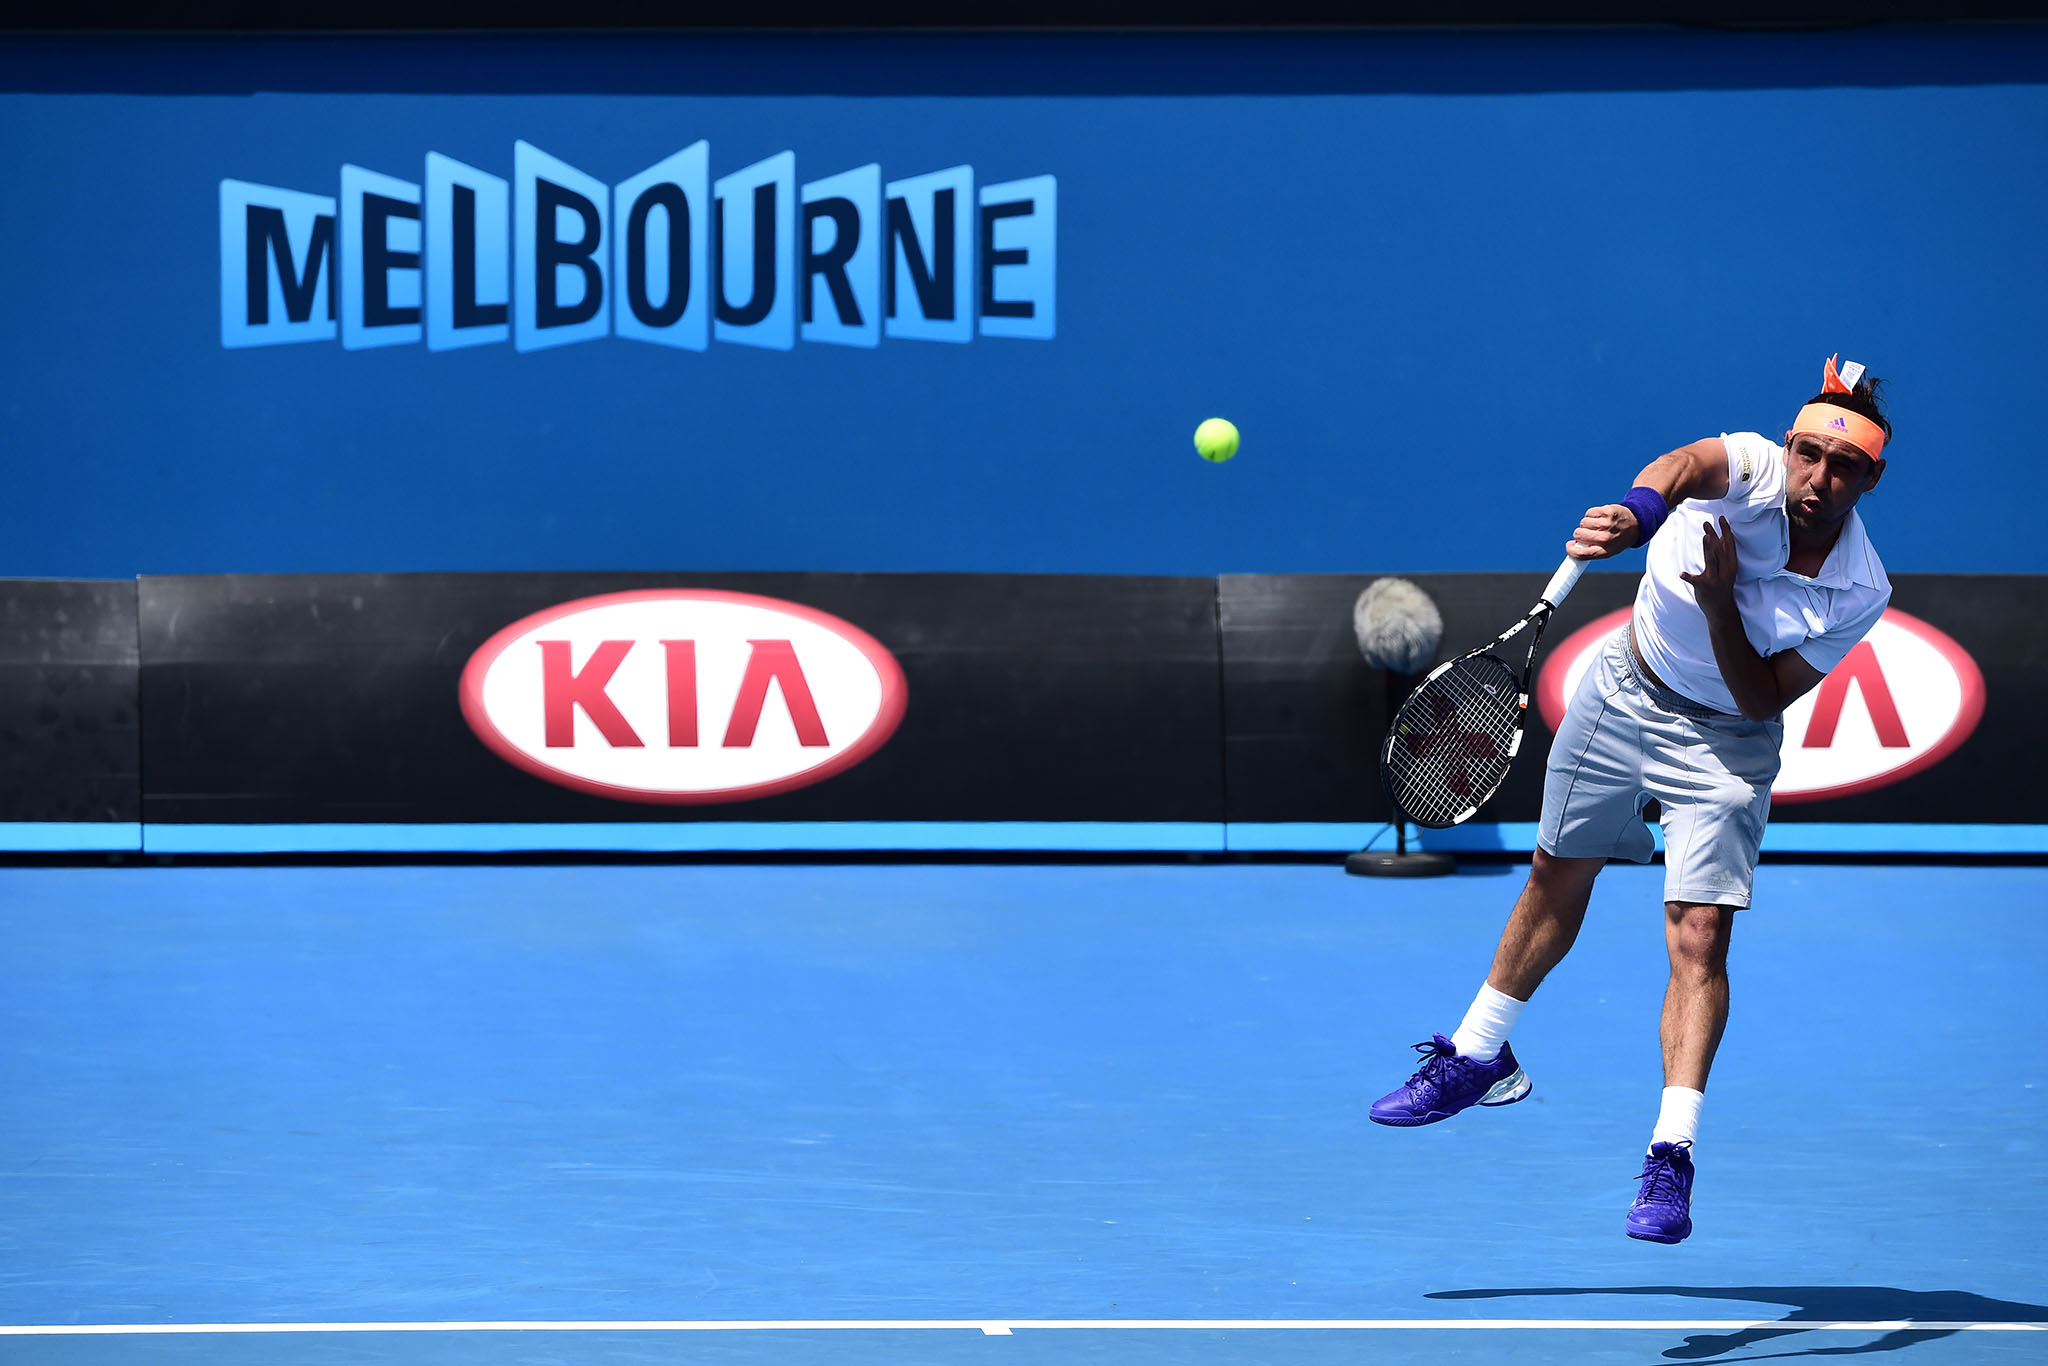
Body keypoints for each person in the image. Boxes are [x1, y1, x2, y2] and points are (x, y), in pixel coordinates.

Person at [1368, 355, 1894, 1245]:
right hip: (1626, 690)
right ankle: (1478, 1053)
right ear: (1788, 446)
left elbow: (1760, 700)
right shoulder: (1752, 465)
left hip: (1726, 740)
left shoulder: (1862, 590)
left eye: (1843, 467)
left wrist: (1721, 604)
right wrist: (1640, 514)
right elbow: (1683, 466)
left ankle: (1670, 1157)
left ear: (1871, 479)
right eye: (1808, 454)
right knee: (1555, 873)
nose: (1818, 477)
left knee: (1700, 934)